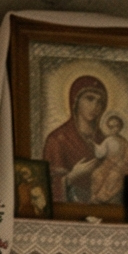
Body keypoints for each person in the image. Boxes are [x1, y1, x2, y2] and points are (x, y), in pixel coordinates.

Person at [43, 74, 107, 205]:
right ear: (76, 101)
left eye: (100, 102)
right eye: (90, 99)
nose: (95, 106)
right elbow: (45, 186)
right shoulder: (57, 140)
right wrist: (71, 177)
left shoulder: (105, 141)